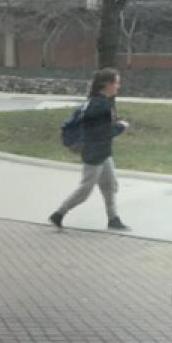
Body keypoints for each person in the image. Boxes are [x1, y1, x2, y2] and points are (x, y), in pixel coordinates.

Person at [49, 68, 130, 231]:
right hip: (94, 153)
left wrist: (114, 125)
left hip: (102, 152)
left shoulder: (98, 102)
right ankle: (58, 214)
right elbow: (101, 132)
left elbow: (99, 128)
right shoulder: (100, 105)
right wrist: (120, 127)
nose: (118, 86)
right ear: (107, 84)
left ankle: (113, 219)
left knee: (110, 185)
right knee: (85, 189)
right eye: (116, 82)